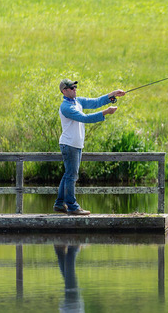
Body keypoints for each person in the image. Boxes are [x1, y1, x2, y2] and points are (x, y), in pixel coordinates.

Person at [53, 79, 126, 215]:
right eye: (71, 88)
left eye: (75, 87)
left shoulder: (78, 101)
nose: (75, 89)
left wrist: (112, 94)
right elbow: (85, 118)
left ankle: (59, 204)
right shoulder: (66, 107)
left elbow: (96, 102)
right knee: (72, 176)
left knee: (68, 174)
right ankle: (72, 206)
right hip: (69, 144)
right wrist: (106, 112)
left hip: (75, 144)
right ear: (64, 91)